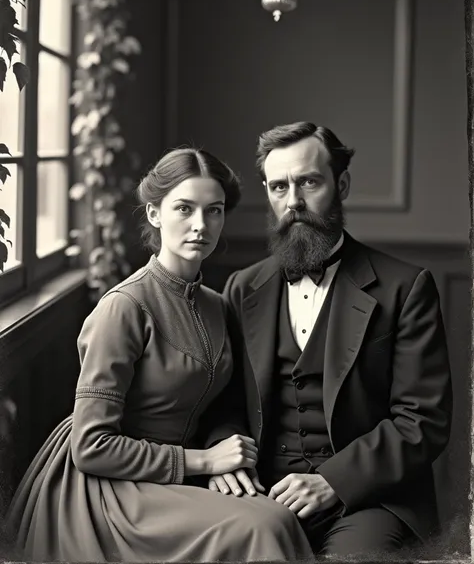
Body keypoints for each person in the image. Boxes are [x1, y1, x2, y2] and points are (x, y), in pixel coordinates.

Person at [6, 147, 315, 563]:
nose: (200, 226)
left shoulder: (217, 305)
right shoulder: (123, 308)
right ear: (154, 213)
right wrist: (204, 461)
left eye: (214, 211)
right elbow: (92, 446)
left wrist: (222, 454)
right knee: (264, 525)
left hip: (179, 475)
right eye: (184, 209)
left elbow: (221, 404)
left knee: (278, 515)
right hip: (109, 489)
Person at [210, 122, 453, 557]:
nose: (294, 202)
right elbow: (221, 404)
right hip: (265, 496)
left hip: (371, 500)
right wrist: (224, 459)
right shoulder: (241, 289)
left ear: (340, 184)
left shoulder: (405, 287)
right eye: (279, 187)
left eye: (308, 182)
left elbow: (423, 422)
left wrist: (332, 482)